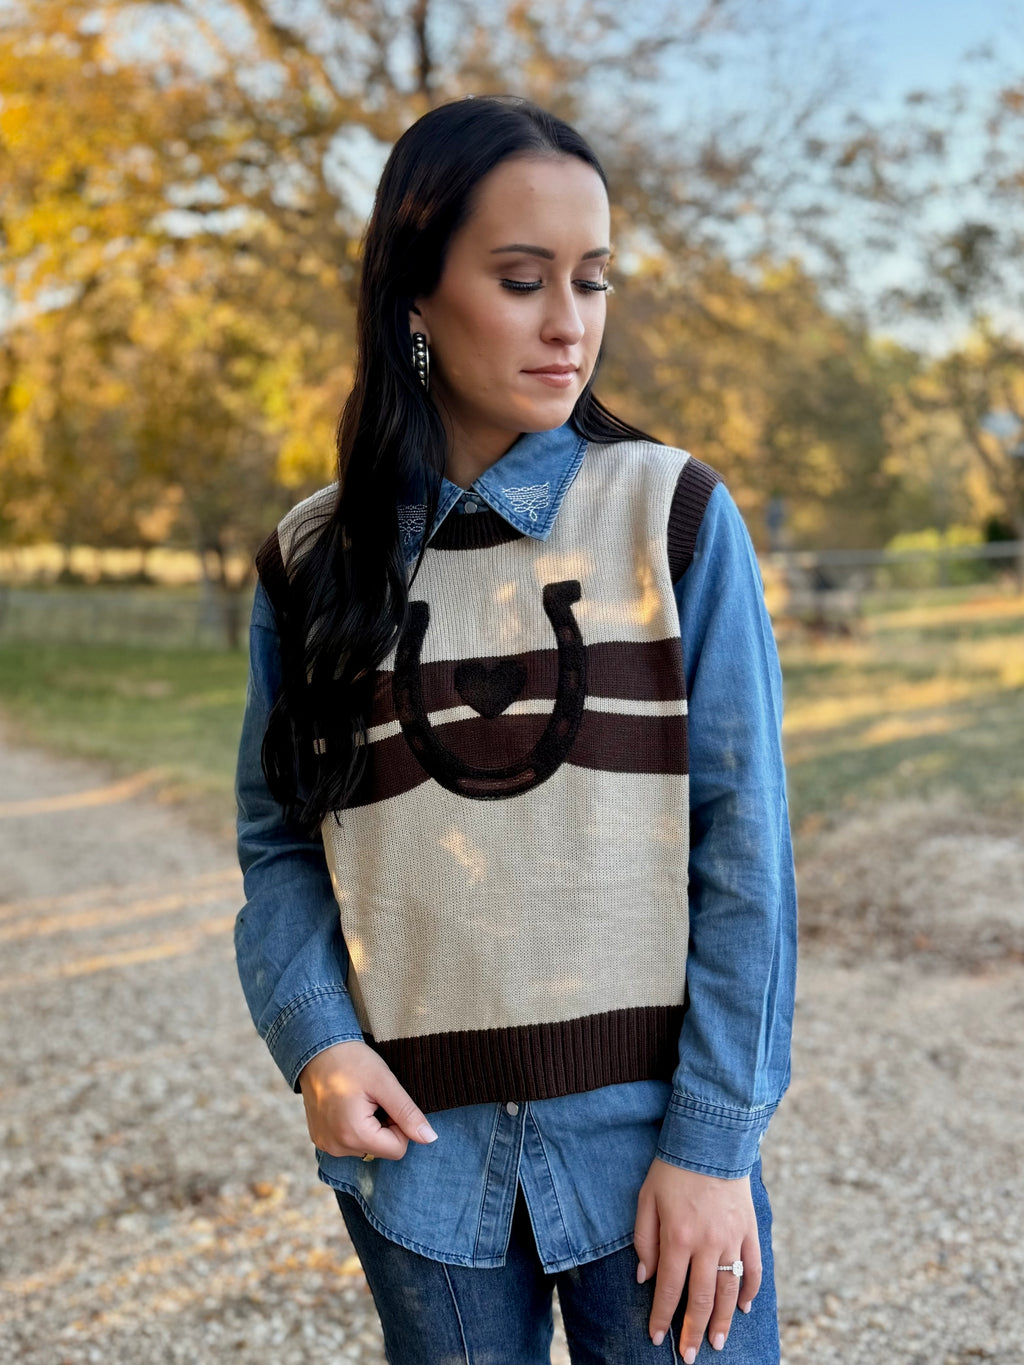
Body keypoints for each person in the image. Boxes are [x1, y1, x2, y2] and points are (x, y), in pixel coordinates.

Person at [233, 94, 797, 1365]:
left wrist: (712, 1150)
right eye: (522, 278)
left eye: (592, 281)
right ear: (415, 298)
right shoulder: (311, 561)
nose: (569, 323)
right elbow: (278, 843)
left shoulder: (673, 517)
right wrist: (318, 1038)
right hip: (421, 1172)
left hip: (655, 1156)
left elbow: (744, 849)